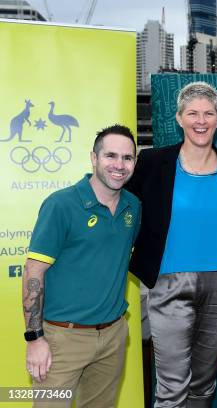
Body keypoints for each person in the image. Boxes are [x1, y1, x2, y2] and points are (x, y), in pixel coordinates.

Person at [125, 81, 217, 408]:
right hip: (168, 285)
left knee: (204, 387)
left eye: (208, 113)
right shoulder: (153, 162)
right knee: (172, 388)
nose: (201, 120)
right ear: (179, 118)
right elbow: (124, 208)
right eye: (192, 113)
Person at [23, 124, 140, 407]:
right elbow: (33, 272)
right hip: (62, 340)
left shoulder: (133, 206)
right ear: (94, 158)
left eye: (128, 158)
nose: (119, 165)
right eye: (111, 155)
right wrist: (34, 339)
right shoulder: (61, 205)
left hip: (112, 336)